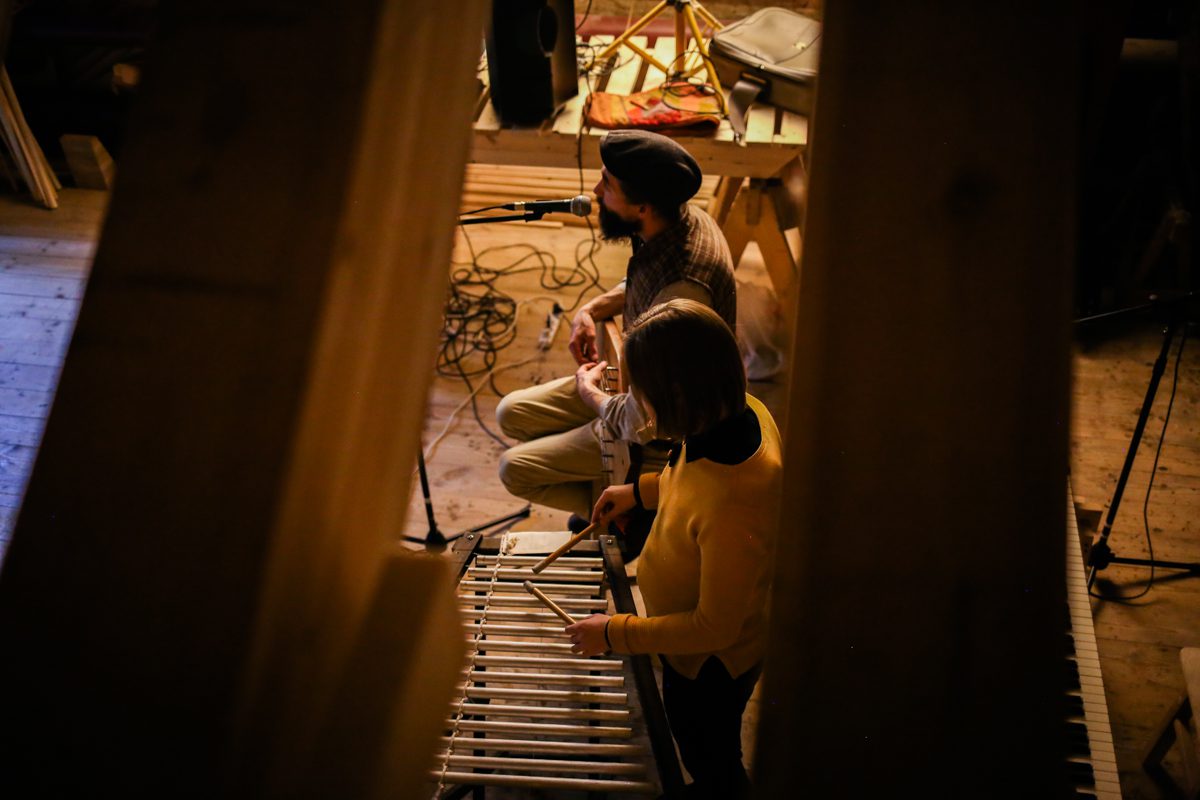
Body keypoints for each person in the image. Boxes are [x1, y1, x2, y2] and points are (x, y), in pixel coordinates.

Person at [565, 299, 782, 799]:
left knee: (708, 755)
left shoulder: (735, 500)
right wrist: (640, 492)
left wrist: (615, 633)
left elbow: (714, 627)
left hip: (709, 665)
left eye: (641, 393)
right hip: (689, 646)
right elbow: (690, 480)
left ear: (677, 395)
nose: (636, 404)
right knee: (697, 746)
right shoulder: (735, 412)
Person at [495, 130, 736, 523]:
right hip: (633, 383)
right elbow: (646, 280)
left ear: (642, 207)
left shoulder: (685, 291)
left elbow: (642, 422)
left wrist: (590, 395)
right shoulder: (676, 219)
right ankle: (605, 489)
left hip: (655, 425)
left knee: (513, 469)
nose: (594, 191)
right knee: (510, 413)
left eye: (607, 184)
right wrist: (590, 310)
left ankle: (623, 513)